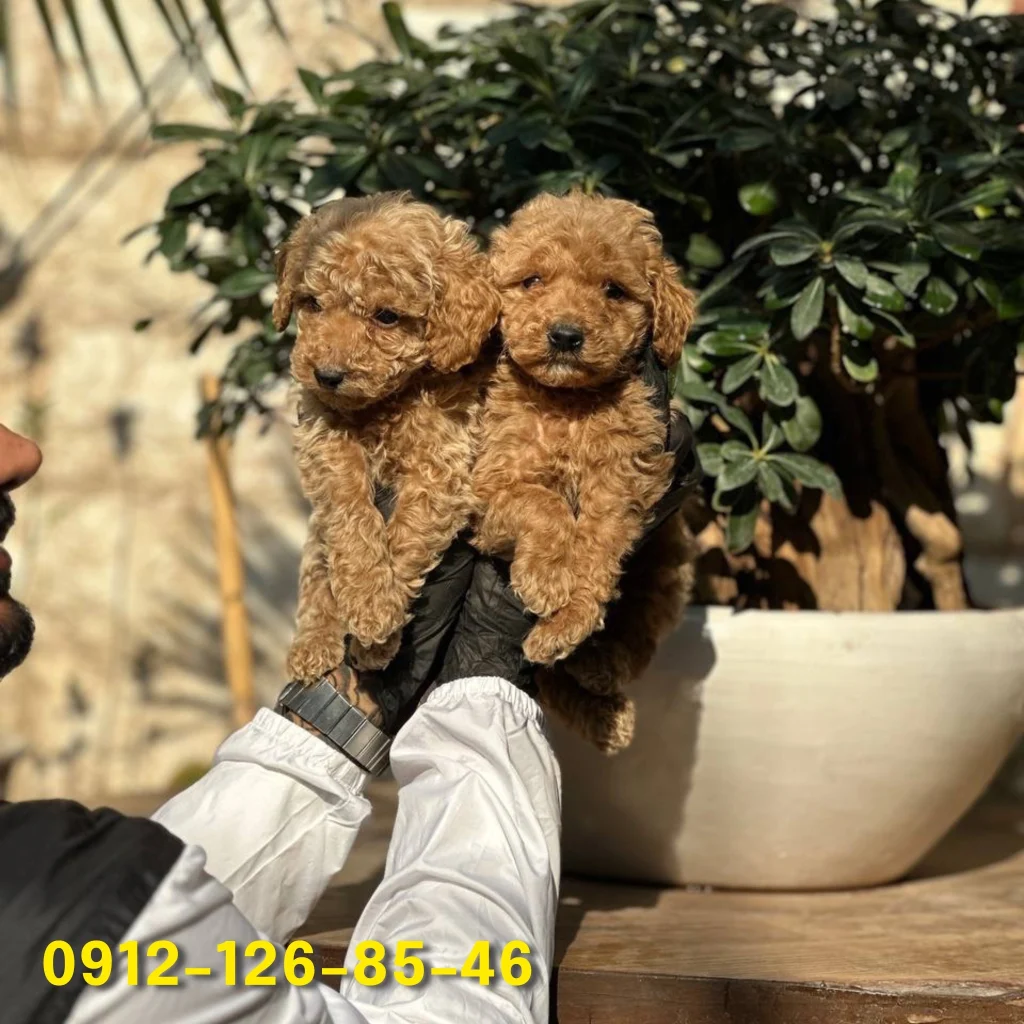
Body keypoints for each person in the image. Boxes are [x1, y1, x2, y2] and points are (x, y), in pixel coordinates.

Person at [0, 373, 699, 1023]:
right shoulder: (54, 909)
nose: (20, 453)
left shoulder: (52, 895)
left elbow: (145, 938)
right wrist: (486, 687)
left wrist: (345, 708)